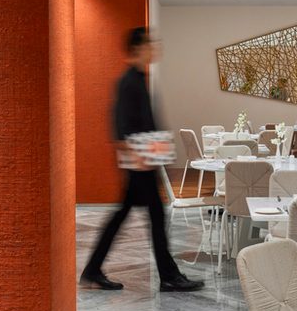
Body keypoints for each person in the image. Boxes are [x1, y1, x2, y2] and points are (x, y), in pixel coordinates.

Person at [81, 28, 204, 292]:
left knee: (128, 216)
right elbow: (121, 127)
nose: (154, 48)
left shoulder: (138, 80)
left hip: (143, 164)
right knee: (155, 216)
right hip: (140, 165)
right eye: (150, 44)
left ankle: (93, 270)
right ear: (137, 48)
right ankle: (168, 276)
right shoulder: (129, 82)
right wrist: (143, 159)